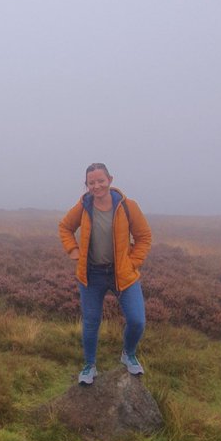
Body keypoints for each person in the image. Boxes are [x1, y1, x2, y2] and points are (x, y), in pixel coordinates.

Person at [58, 163, 152, 385]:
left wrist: (133, 262)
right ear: (87, 185)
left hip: (122, 274)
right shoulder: (84, 206)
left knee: (137, 320)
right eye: (92, 182)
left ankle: (128, 354)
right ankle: (89, 366)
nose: (96, 186)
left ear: (110, 179)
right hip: (91, 275)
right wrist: (73, 250)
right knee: (91, 322)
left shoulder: (127, 206)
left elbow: (144, 236)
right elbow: (65, 227)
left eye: (100, 180)